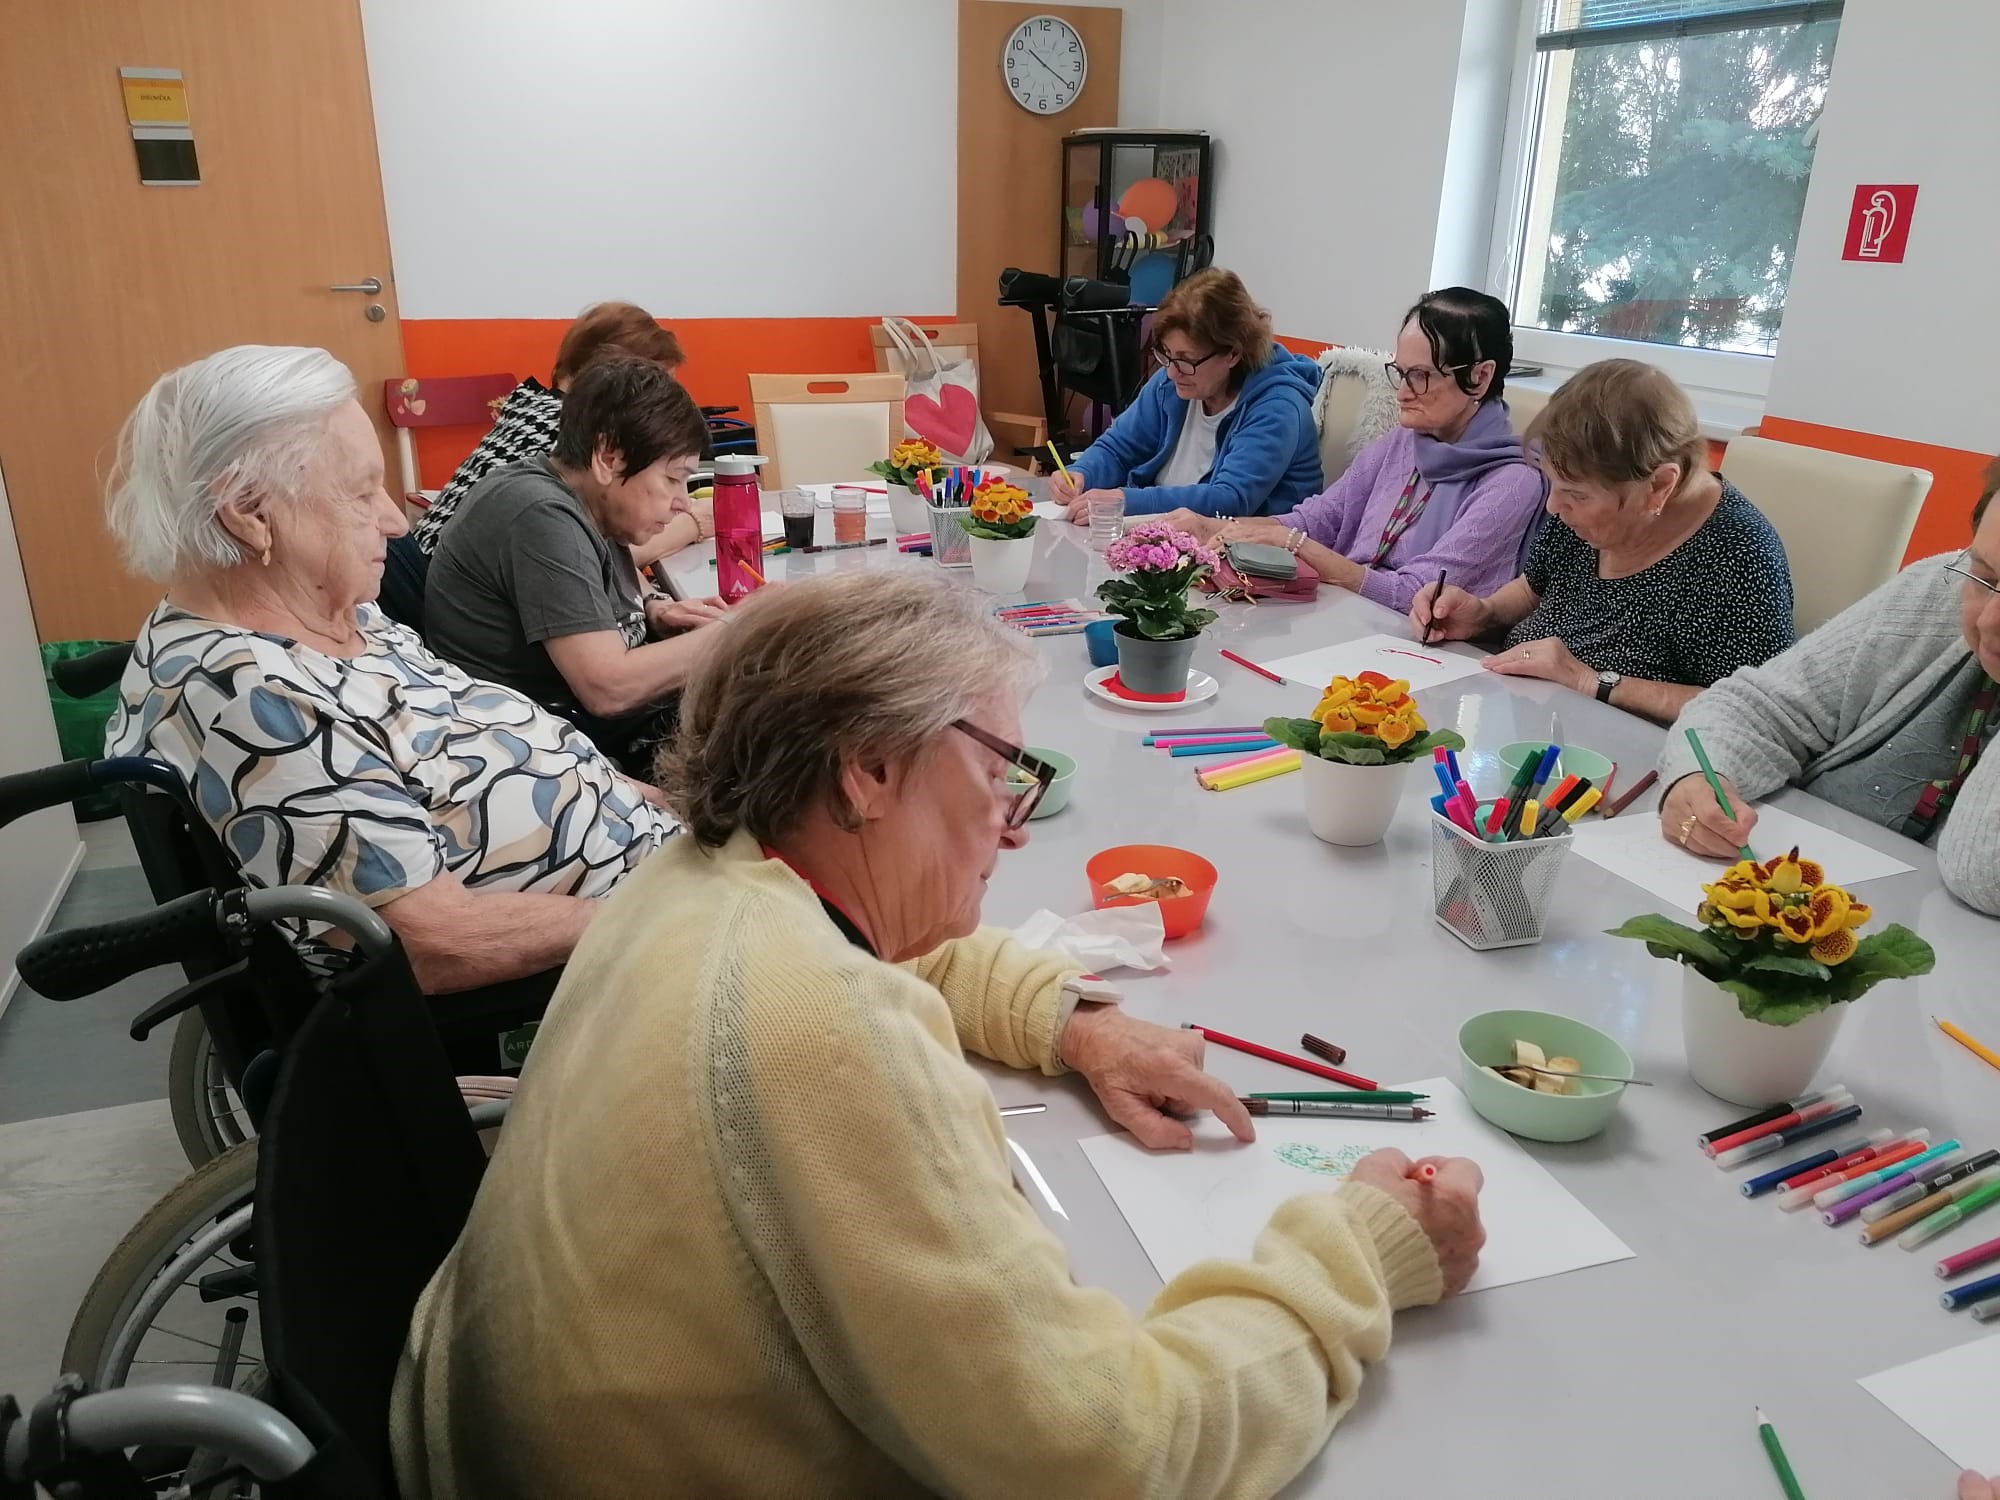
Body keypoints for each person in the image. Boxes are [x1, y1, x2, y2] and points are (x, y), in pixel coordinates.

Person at [392, 570, 1488, 1500]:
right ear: (867, 768)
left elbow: (891, 942)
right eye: (1000, 772)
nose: (1013, 827)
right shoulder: (827, 1028)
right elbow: (1109, 1454)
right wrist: (1363, 1253)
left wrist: (1073, 1021)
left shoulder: (697, 871)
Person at [103, 345, 676, 991]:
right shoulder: (258, 698)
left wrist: (656, 803)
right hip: (610, 955)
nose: (395, 522)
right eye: (359, 492)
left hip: (655, 865)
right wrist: (662, 912)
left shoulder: (342, 614)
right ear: (248, 510)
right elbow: (437, 944)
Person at [1657, 458, 2000, 916]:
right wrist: (1699, 777)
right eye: (1987, 577)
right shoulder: (1941, 587)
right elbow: (1753, 705)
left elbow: (1982, 874)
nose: (1987, 620)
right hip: (1798, 899)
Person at [1414, 359, 1795, 723]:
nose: (1553, 506)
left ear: (1660, 485)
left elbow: (1755, 710)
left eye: (1576, 494)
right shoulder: (1581, 508)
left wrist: (1589, 680)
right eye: (1554, 485)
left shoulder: (1738, 556)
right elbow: (1534, 588)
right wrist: (1484, 613)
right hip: (1535, 720)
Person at [422, 357, 730, 773]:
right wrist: (737, 631)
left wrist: (653, 608)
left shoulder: (586, 500)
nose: (682, 501)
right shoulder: (540, 516)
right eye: (673, 478)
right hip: (555, 745)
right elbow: (609, 687)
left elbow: (594, 574)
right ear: (608, 458)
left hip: (585, 721)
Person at [1161, 287, 1545, 611]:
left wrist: (1295, 545)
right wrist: (1215, 526)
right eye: (1401, 372)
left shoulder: (1513, 483)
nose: (1402, 393)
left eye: (1421, 376)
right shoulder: (1405, 441)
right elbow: (1322, 518)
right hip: (1353, 618)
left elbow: (1416, 595)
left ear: (1480, 376)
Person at [407, 299, 711, 565]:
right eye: (655, 386)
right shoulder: (573, 433)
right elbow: (596, 554)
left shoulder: (530, 404)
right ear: (618, 378)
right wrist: (695, 523)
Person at [1048, 268, 1322, 522]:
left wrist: (1126, 501)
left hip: (1248, 550)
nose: (1171, 372)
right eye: (1166, 354)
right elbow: (1118, 448)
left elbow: (1229, 501)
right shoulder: (1173, 383)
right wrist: (1082, 473)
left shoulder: (1278, 406)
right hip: (1170, 536)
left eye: (1186, 359)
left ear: (1233, 353)